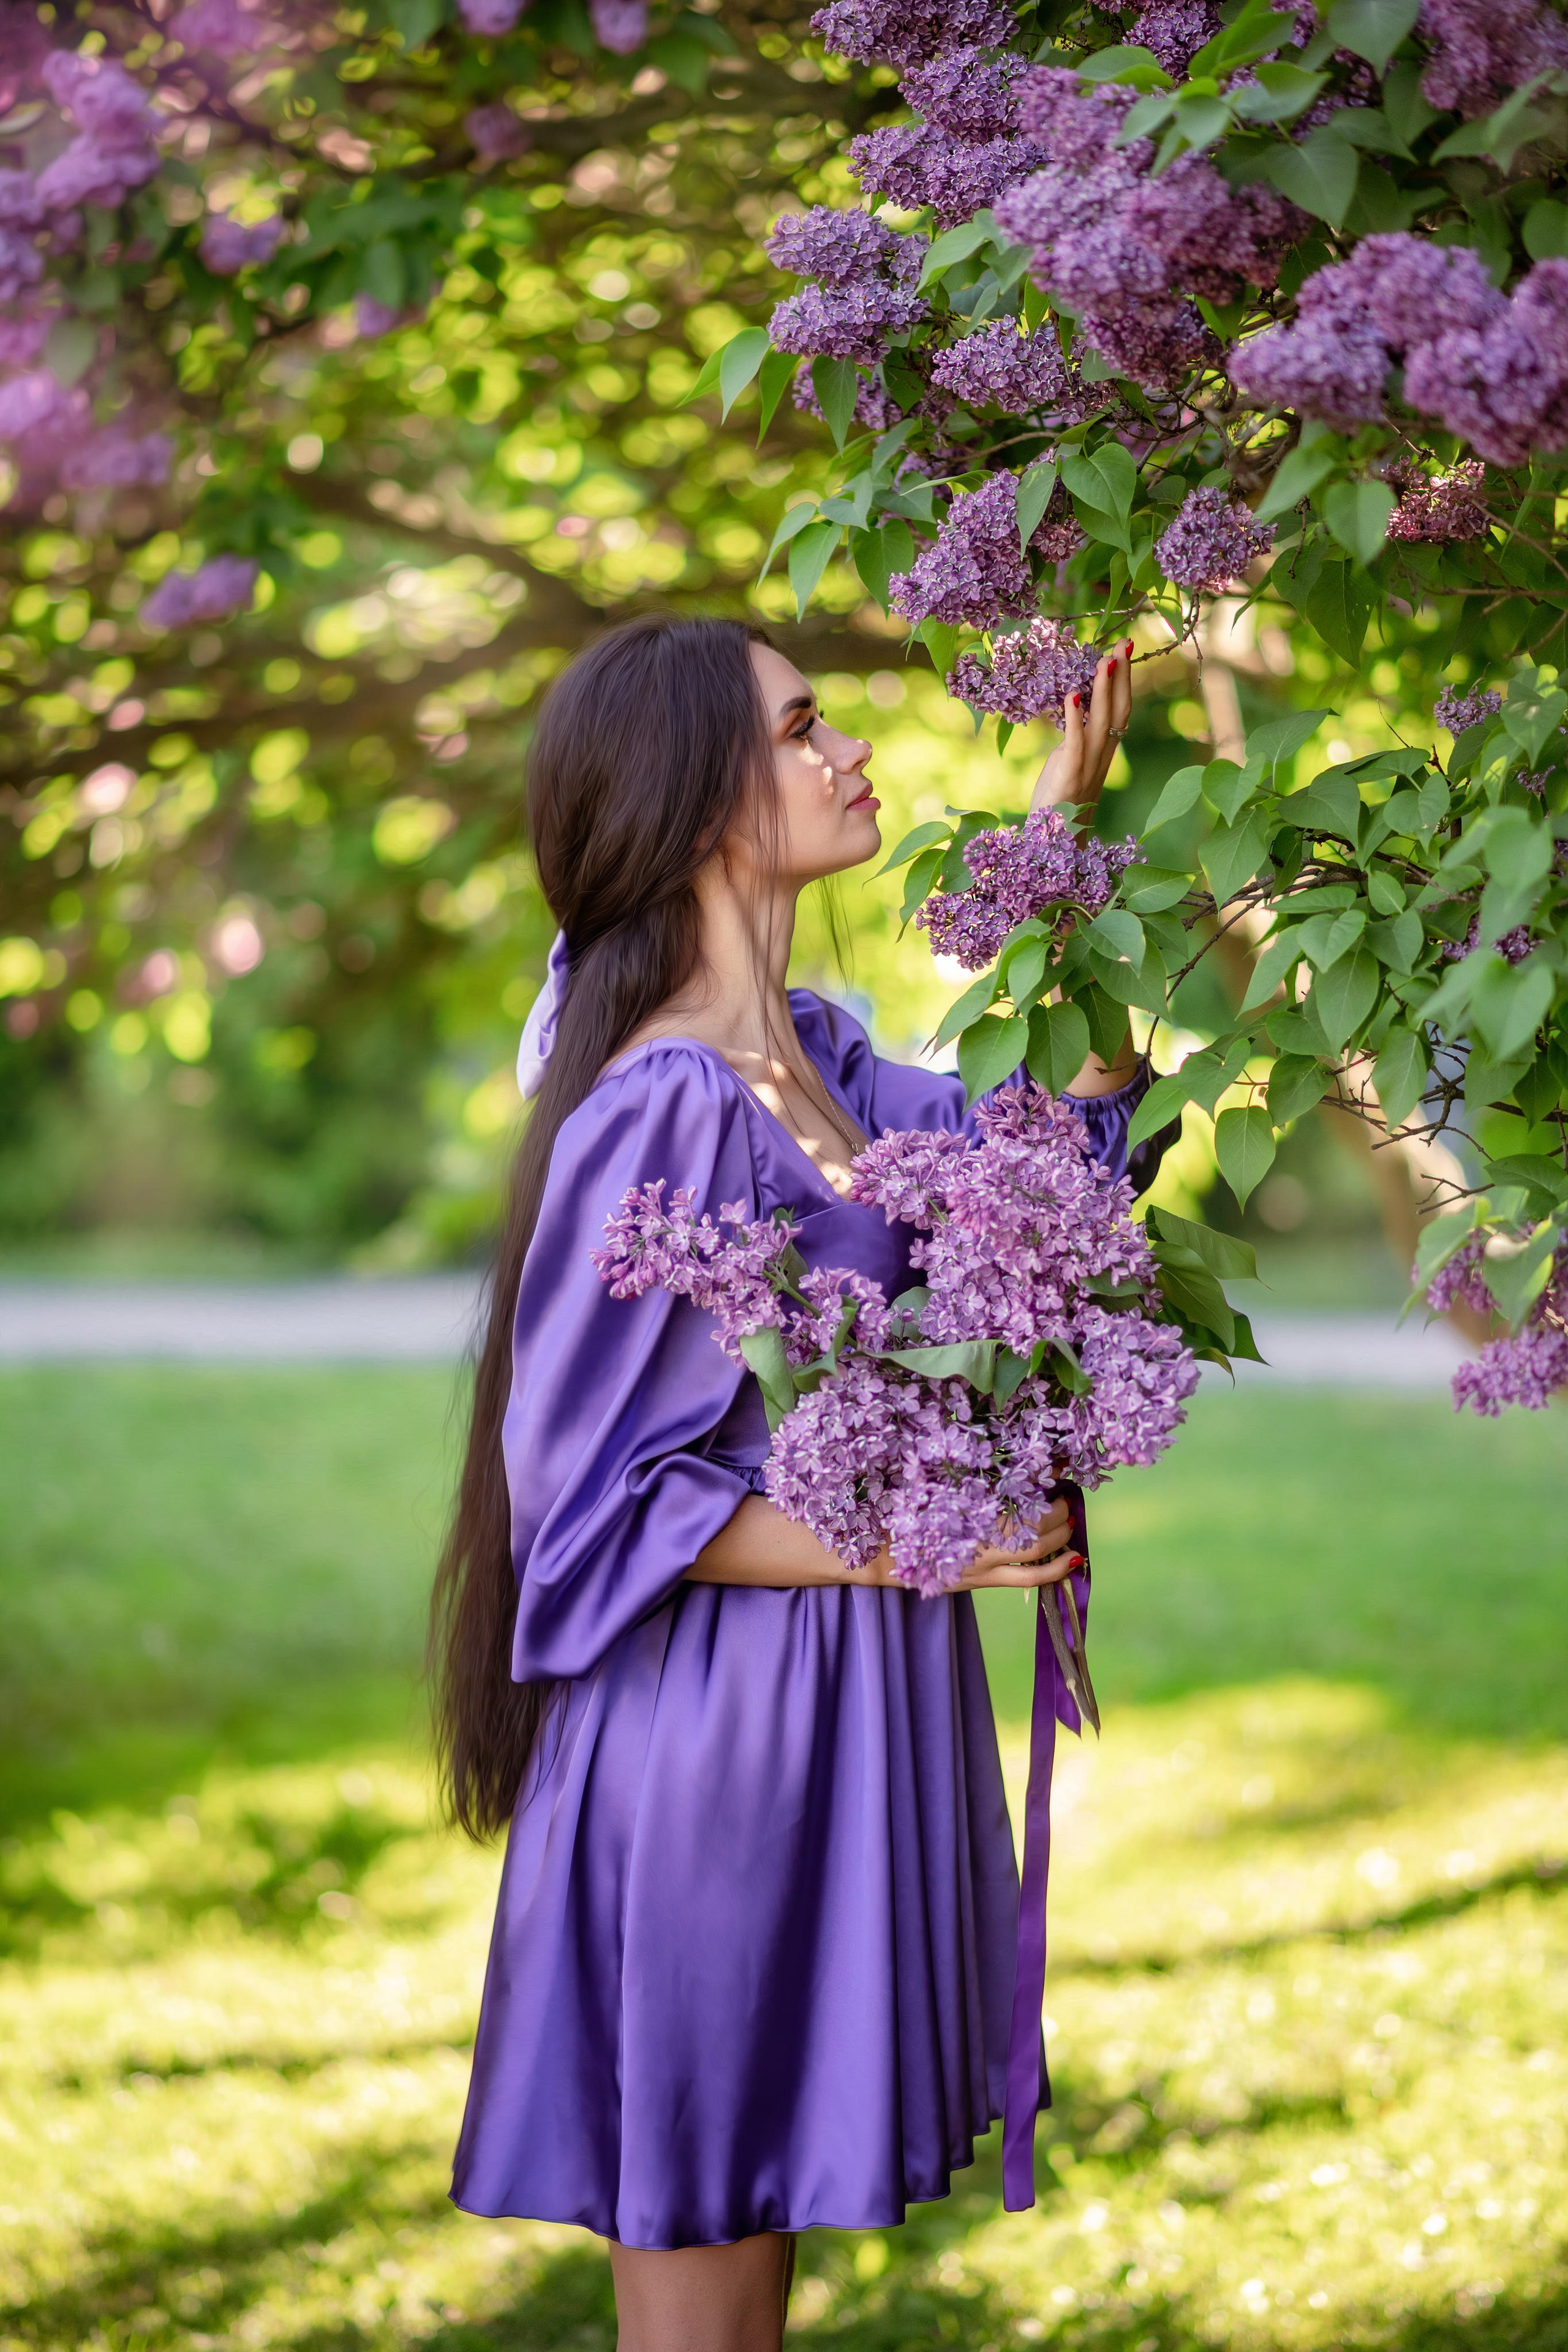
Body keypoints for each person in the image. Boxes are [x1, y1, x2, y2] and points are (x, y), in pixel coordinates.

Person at [432, 616, 1149, 2352]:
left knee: (755, 2278)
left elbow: (1036, 1167)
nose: (846, 752)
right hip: (717, 1748)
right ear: (694, 804)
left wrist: (1058, 834)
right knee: (707, 2304)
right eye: (799, 728)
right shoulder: (663, 1103)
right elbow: (593, 1506)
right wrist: (930, 1533)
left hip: (832, 1713)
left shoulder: (813, 1052)